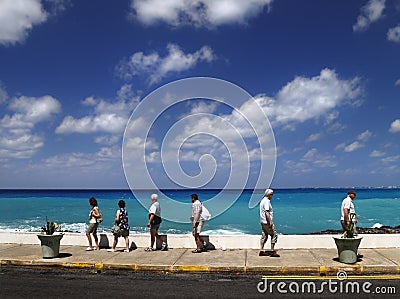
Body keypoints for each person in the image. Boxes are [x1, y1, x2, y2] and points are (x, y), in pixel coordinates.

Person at [341, 189, 363, 258]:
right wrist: (348, 221)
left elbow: (350, 212)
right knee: (354, 237)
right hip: (348, 222)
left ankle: (350, 252)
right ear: (350, 194)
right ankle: (354, 253)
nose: (355, 197)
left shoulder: (346, 200)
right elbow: (345, 210)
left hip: (349, 221)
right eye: (354, 195)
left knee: (348, 237)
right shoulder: (348, 201)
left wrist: (354, 219)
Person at [259, 189, 280, 257]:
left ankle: (261, 250)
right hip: (267, 222)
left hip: (262, 221)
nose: (272, 196)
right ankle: (272, 251)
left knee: (264, 235)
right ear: (269, 195)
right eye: (272, 194)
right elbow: (266, 212)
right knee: (274, 235)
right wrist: (270, 221)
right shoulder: (267, 201)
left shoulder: (262, 200)